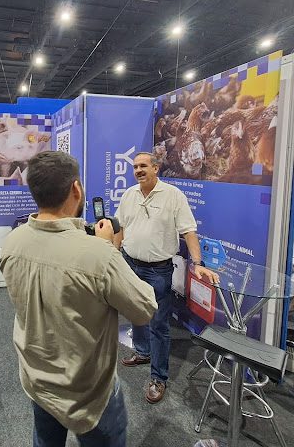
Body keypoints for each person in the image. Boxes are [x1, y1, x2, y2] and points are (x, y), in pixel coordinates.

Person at [0, 151, 158, 447]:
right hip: (88, 393)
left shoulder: (12, 243)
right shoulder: (99, 255)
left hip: (36, 379)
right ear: (76, 189)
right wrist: (108, 249)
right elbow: (144, 309)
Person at [113, 152, 218, 404]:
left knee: (159, 323)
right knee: (136, 312)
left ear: (156, 168)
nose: (138, 170)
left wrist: (197, 263)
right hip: (130, 263)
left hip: (158, 270)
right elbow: (120, 227)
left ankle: (158, 377)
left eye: (143, 166)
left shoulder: (173, 195)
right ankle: (142, 352)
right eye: (135, 167)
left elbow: (189, 231)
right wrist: (113, 255)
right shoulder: (129, 194)